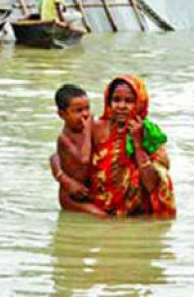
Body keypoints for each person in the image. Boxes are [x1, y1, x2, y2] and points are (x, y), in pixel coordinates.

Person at [89, 75, 176, 218]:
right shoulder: (96, 128)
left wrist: (137, 144)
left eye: (129, 101)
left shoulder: (150, 135)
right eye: (116, 100)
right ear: (108, 102)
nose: (121, 106)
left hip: (137, 216)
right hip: (102, 214)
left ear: (140, 103)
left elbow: (153, 185)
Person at [49, 85, 107, 217]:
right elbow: (84, 160)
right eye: (78, 110)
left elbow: (54, 157)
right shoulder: (64, 139)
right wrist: (87, 133)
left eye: (87, 109)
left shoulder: (91, 128)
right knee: (102, 216)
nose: (85, 114)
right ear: (62, 114)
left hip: (88, 191)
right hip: (72, 198)